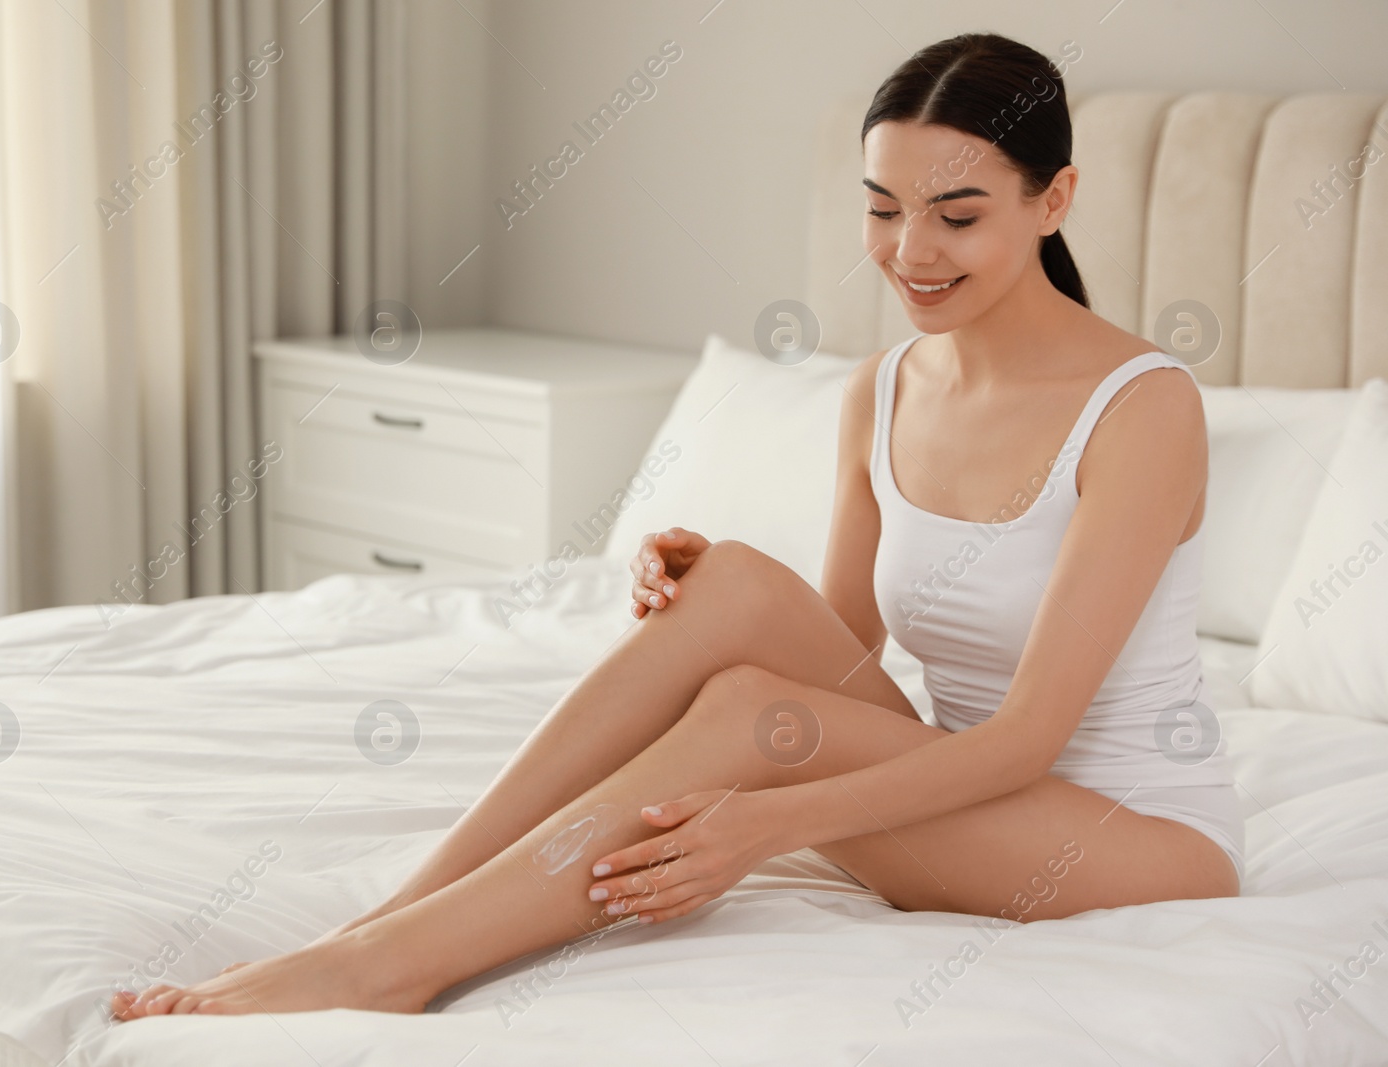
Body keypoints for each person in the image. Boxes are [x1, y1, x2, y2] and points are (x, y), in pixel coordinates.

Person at [111, 30, 1241, 1020]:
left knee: (753, 715)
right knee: (737, 582)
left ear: (1054, 200)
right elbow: (842, 646)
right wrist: (705, 596)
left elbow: (1024, 741)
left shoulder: (1142, 408)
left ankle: (392, 962)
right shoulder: (885, 387)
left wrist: (760, 821)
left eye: (956, 215)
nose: (909, 252)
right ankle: (382, 930)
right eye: (881, 208)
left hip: (1125, 835)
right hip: (956, 784)